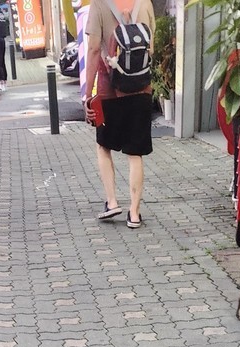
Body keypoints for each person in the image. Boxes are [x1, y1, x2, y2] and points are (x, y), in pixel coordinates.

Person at [83, 0, 155, 229]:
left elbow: (94, 49)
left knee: (103, 145)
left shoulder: (99, 4)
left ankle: (112, 202)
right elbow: (151, 48)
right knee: (135, 152)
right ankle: (134, 213)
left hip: (110, 88)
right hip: (141, 87)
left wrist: (88, 93)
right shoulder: (145, 2)